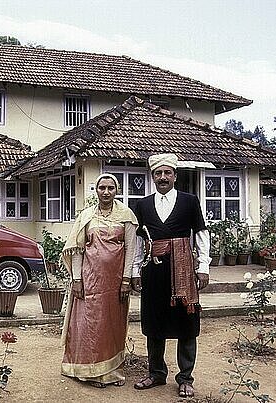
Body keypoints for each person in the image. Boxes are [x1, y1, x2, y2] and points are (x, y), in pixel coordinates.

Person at [131, 153, 210, 398]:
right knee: (154, 323)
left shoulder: (189, 201)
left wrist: (203, 267)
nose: (163, 177)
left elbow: (201, 234)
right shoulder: (142, 205)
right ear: (152, 176)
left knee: (187, 324)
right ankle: (156, 373)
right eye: (158, 173)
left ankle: (185, 378)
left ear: (175, 175)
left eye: (167, 173)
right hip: (154, 271)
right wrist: (135, 270)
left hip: (184, 271)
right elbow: (137, 241)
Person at [60, 173, 138, 388]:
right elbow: (77, 250)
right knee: (89, 324)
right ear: (96, 191)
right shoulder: (86, 216)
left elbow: (131, 249)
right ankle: (88, 372)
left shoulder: (127, 216)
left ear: (117, 190)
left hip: (115, 283)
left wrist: (126, 280)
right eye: (102, 188)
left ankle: (111, 372)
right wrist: (77, 279)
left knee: (112, 324)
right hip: (89, 280)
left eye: (110, 188)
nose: (106, 192)